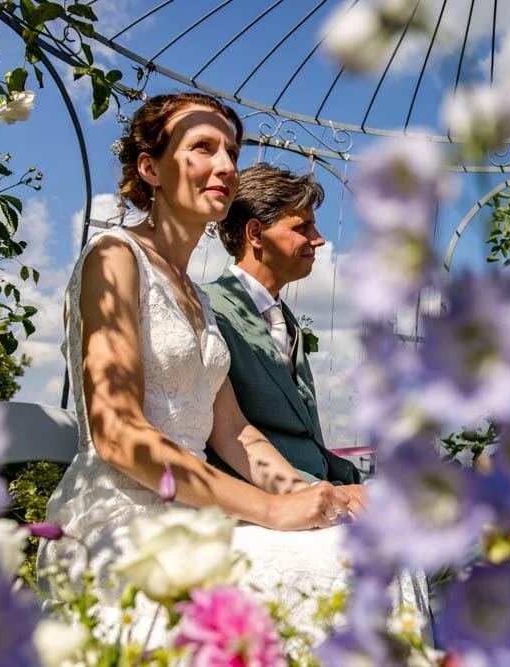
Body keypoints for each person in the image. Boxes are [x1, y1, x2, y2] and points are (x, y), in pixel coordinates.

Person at [37, 92, 428, 645]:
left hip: (200, 515)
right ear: (151, 168)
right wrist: (270, 508)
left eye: (231, 151)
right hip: (126, 518)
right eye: (203, 147)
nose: (225, 165)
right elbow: (119, 434)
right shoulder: (114, 256)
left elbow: (235, 431)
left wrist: (324, 498)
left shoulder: (196, 296)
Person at [201, 163, 362, 487]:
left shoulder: (286, 321)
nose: (318, 240)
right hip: (264, 503)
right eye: (303, 228)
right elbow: (217, 441)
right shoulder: (209, 311)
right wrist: (317, 491)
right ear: (255, 234)